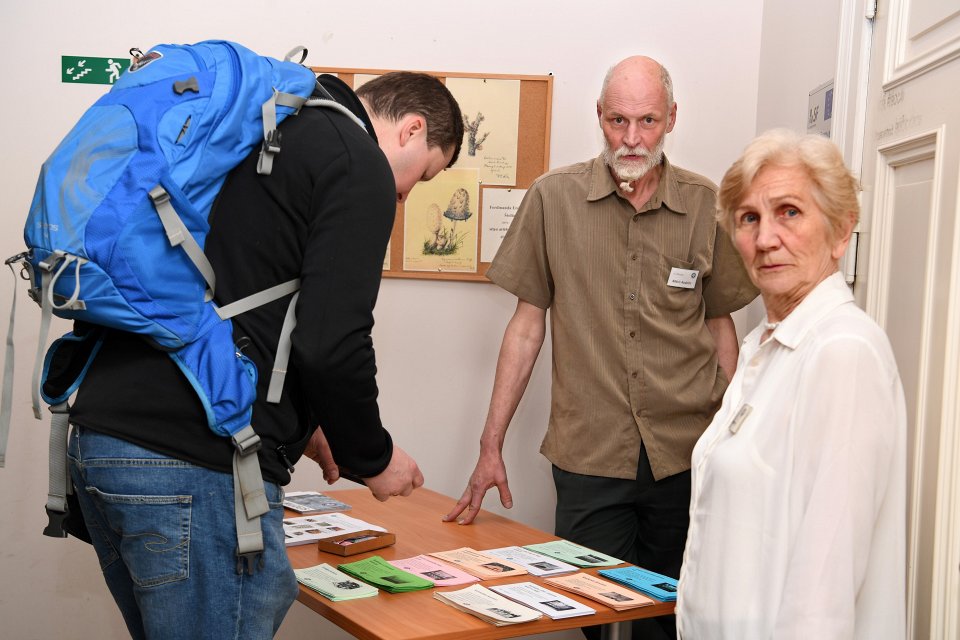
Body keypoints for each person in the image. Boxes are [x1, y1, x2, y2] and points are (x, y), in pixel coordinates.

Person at [64, 71, 463, 639]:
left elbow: (238, 299)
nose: (403, 197)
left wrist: (304, 429)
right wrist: (373, 457)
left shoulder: (266, 126)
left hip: (102, 436)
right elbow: (331, 345)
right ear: (411, 129)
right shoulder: (355, 160)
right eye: (420, 176)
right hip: (190, 463)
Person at [443, 56, 757, 639]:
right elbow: (526, 327)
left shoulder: (705, 205)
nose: (631, 138)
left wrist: (735, 446)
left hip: (686, 455)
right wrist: (491, 446)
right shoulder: (552, 199)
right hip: (590, 454)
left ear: (671, 119)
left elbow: (721, 332)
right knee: (594, 614)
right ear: (598, 116)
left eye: (647, 121)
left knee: (678, 616)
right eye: (617, 121)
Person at [675, 129, 907, 639]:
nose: (765, 239)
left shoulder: (843, 352)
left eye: (790, 212)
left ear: (842, 232)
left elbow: (823, 590)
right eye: (749, 218)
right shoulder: (766, 345)